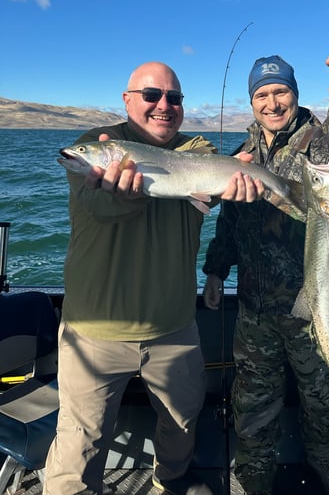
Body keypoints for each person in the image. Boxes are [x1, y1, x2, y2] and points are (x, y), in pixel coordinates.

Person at [43, 61, 263, 495]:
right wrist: (125, 194)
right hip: (93, 332)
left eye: (174, 98)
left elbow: (209, 184)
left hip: (175, 330)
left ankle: (169, 484)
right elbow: (100, 208)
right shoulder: (92, 147)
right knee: (77, 451)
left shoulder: (197, 150)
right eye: (151, 95)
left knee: (181, 430)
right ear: (127, 101)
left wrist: (240, 180)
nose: (164, 105)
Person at [202, 52, 329, 495]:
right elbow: (228, 222)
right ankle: (253, 476)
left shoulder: (323, 141)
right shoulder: (241, 155)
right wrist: (214, 271)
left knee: (322, 398)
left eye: (279, 91)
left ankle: (325, 463)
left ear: (295, 93)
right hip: (254, 306)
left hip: (314, 308)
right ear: (252, 102)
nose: (271, 102)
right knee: (252, 401)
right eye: (261, 94)